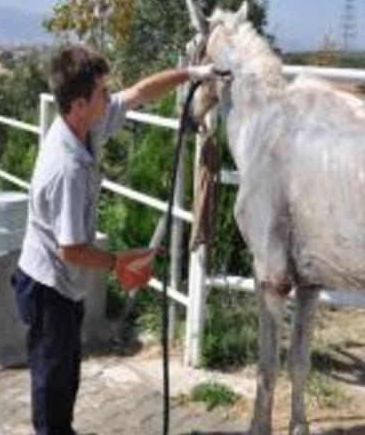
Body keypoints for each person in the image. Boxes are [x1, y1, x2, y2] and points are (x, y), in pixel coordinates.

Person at [12, 44, 214, 435]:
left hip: (62, 287)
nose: (110, 97)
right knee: (52, 386)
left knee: (66, 376)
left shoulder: (87, 125)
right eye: (103, 93)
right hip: (47, 287)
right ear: (79, 102)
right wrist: (119, 263)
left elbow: (139, 93)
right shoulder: (66, 165)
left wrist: (192, 74)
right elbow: (69, 248)